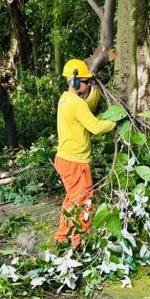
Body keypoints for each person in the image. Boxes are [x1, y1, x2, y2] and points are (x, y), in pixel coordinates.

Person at [55, 59, 117, 246]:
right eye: (86, 81)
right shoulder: (76, 103)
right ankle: (79, 241)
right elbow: (96, 127)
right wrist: (117, 121)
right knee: (84, 201)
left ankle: (62, 237)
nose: (88, 84)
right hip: (75, 162)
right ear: (74, 81)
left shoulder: (66, 98)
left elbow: (85, 108)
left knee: (72, 201)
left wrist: (95, 91)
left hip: (65, 159)